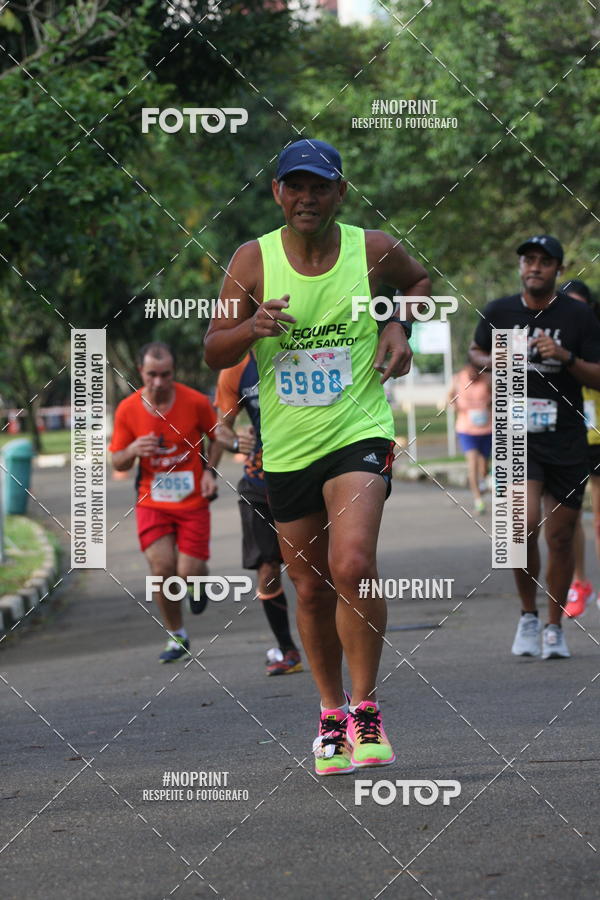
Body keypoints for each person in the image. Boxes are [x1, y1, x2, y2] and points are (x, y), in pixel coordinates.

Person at [205, 138, 431, 775]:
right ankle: (330, 714)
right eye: (294, 186)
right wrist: (249, 329)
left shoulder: (372, 248)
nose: (307, 197)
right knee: (307, 588)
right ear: (277, 193)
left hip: (358, 431)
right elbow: (214, 349)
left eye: (320, 186)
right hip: (288, 446)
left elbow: (417, 282)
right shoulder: (252, 261)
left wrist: (397, 323)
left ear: (341, 193)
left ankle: (366, 710)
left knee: (353, 563)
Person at [469, 236, 600, 659]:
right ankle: (527, 614)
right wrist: (503, 356)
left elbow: (597, 375)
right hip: (514, 433)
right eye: (529, 260)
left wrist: (564, 356)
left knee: (561, 538)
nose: (536, 267)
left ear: (558, 269)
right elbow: (476, 352)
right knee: (519, 527)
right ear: (521, 266)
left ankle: (553, 625)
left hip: (564, 436)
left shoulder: (578, 316)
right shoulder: (499, 311)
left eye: (545, 261)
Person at [109, 342, 220, 662]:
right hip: (152, 500)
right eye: (152, 375)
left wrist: (210, 471)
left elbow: (218, 437)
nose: (159, 382)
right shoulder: (128, 409)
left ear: (173, 372)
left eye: (166, 375)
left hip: (192, 501)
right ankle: (177, 636)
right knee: (162, 569)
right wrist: (133, 450)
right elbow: (118, 462)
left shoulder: (195, 402)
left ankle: (198, 581)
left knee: (187, 572)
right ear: (141, 372)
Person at [213, 351, 303, 675]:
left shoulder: (302, 349)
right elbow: (220, 429)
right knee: (267, 567)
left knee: (315, 568)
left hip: (305, 472)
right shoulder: (235, 369)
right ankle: (287, 649)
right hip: (259, 478)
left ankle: (333, 639)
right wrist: (236, 442)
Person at [560, 280, 600, 617]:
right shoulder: (550, 340)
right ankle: (580, 583)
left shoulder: (593, 338)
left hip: (598, 436)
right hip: (568, 437)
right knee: (568, 519)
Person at [449, 361, 492, 514]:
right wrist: (458, 407)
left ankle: (483, 482)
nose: (473, 374)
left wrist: (488, 406)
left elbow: (497, 397)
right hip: (466, 428)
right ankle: (478, 500)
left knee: (483, 469)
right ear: (466, 367)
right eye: (471, 371)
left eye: (476, 371)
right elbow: (450, 396)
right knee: (472, 462)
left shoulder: (487, 378)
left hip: (486, 428)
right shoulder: (458, 379)